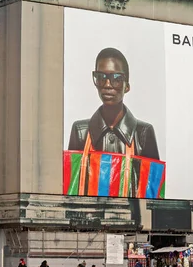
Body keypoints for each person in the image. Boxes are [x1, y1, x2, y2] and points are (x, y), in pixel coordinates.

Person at [68, 48, 160, 197]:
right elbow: (72, 187)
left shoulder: (143, 133)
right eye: (101, 77)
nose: (107, 84)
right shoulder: (81, 131)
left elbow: (153, 194)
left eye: (116, 78)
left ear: (127, 86)